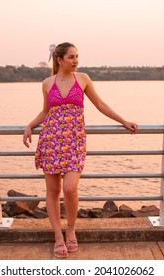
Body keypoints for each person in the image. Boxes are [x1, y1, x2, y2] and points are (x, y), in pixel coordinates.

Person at [23, 42, 138, 258]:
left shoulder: (83, 79)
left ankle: (71, 229)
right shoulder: (47, 83)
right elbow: (46, 112)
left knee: (70, 187)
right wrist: (29, 126)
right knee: (53, 191)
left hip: (75, 142)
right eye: (71, 57)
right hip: (51, 142)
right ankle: (58, 237)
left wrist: (123, 121)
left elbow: (100, 104)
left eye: (77, 56)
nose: (76, 60)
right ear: (59, 60)